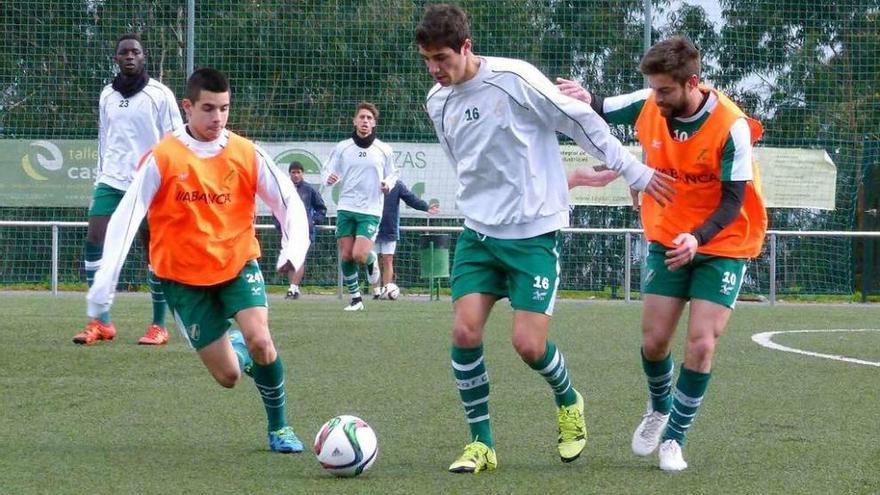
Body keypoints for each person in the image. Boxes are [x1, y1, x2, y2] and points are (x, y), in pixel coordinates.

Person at [416, 4, 674, 474]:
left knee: (528, 346)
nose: (435, 70)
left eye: (442, 59)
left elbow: (580, 120)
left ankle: (569, 399)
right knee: (463, 331)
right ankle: (482, 444)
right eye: (428, 60)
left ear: (466, 47)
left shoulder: (514, 80)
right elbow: (469, 162)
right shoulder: (438, 100)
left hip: (533, 234)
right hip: (478, 233)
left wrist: (632, 169)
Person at [558, 36, 767, 472]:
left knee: (701, 343)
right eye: (652, 89)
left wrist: (700, 237)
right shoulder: (650, 101)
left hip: (722, 241)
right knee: (654, 343)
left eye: (665, 91)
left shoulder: (732, 126)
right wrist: (584, 96)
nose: (656, 98)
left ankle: (674, 438)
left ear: (692, 83)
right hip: (669, 236)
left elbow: (732, 202)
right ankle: (659, 407)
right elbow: (599, 104)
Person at [86, 67, 311, 453]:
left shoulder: (245, 151)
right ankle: (238, 348)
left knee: (262, 341)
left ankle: (280, 428)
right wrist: (104, 283)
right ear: (187, 107)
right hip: (182, 280)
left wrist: (293, 249)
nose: (218, 118)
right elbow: (126, 219)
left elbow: (287, 200)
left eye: (224, 108)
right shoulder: (161, 158)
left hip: (238, 264)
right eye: (208, 108)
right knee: (228, 376)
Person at [73, 33, 183, 346]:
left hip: (151, 183)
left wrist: (170, 180)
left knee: (154, 251)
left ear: (143, 57)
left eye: (135, 52)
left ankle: (158, 325)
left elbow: (175, 140)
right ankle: (102, 321)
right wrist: (100, 175)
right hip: (111, 180)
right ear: (117, 59)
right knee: (95, 240)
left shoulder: (160, 94)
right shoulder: (107, 94)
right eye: (124, 53)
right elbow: (105, 139)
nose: (130, 56)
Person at [323, 102, 398, 311]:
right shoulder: (343, 147)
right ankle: (356, 299)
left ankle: (372, 257)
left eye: (369, 118)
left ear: (374, 123)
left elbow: (394, 173)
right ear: (354, 121)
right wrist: (328, 178)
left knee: (359, 255)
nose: (365, 121)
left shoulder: (384, 150)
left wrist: (388, 184)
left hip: (370, 210)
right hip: (346, 207)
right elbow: (327, 168)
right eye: (362, 117)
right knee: (346, 255)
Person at [370, 180, 439, 299]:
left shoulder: (396, 184)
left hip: (389, 227)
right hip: (370, 224)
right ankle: (376, 291)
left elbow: (411, 199)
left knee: (388, 259)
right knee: (372, 260)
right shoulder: (370, 180)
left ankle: (387, 290)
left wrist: (426, 207)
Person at [283, 160, 327, 300]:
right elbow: (276, 208)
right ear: (289, 173)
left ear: (303, 173)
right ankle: (293, 288)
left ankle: (293, 288)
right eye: (293, 172)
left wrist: (313, 221)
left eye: (298, 172)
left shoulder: (309, 189)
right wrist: (279, 225)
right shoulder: (283, 189)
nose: (296, 175)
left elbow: (321, 208)